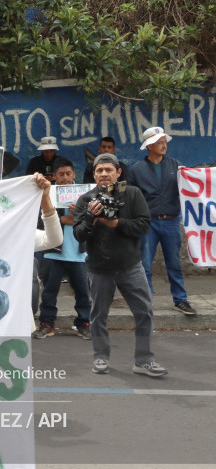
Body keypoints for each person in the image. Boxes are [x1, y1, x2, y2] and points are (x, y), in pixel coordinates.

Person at [73, 153, 166, 377]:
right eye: (99, 170)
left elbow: (144, 225)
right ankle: (101, 358)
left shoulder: (132, 194)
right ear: (94, 174)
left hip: (130, 266)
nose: (104, 174)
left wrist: (116, 223)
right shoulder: (86, 200)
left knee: (144, 312)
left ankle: (143, 360)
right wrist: (90, 219)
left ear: (118, 172)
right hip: (99, 268)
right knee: (98, 315)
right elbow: (79, 235)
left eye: (108, 170)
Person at [127, 126, 196, 316]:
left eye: (165, 141)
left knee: (174, 263)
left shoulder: (175, 165)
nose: (164, 145)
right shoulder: (136, 170)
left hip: (172, 222)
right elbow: (131, 197)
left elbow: (189, 187)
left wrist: (188, 176)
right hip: (147, 223)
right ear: (149, 146)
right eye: (159, 142)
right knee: (145, 265)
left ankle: (180, 300)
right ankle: (145, 301)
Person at [33, 158, 92, 340]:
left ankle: (84, 324)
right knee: (49, 292)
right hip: (53, 252)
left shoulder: (86, 195)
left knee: (83, 292)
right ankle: (47, 324)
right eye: (61, 174)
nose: (65, 178)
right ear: (54, 176)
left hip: (79, 253)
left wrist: (79, 215)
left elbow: (94, 221)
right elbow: (37, 222)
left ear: (74, 174)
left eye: (68, 174)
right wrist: (61, 220)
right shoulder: (45, 194)